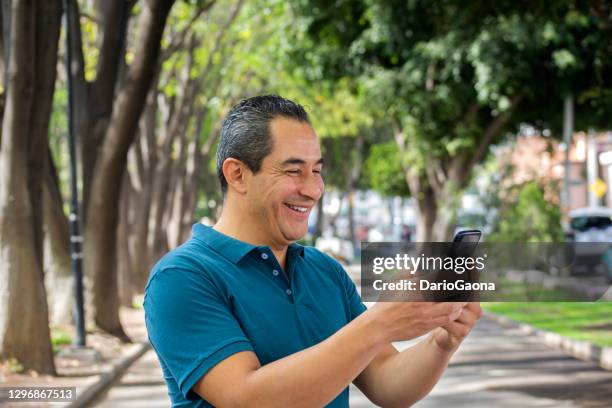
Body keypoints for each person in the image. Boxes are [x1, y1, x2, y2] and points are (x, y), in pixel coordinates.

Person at [144, 95, 482, 407]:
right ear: (238, 174)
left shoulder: (325, 271)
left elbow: (387, 384)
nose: (313, 189)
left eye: (317, 171)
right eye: (294, 171)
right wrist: (380, 322)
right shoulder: (181, 278)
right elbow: (245, 398)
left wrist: (442, 341)